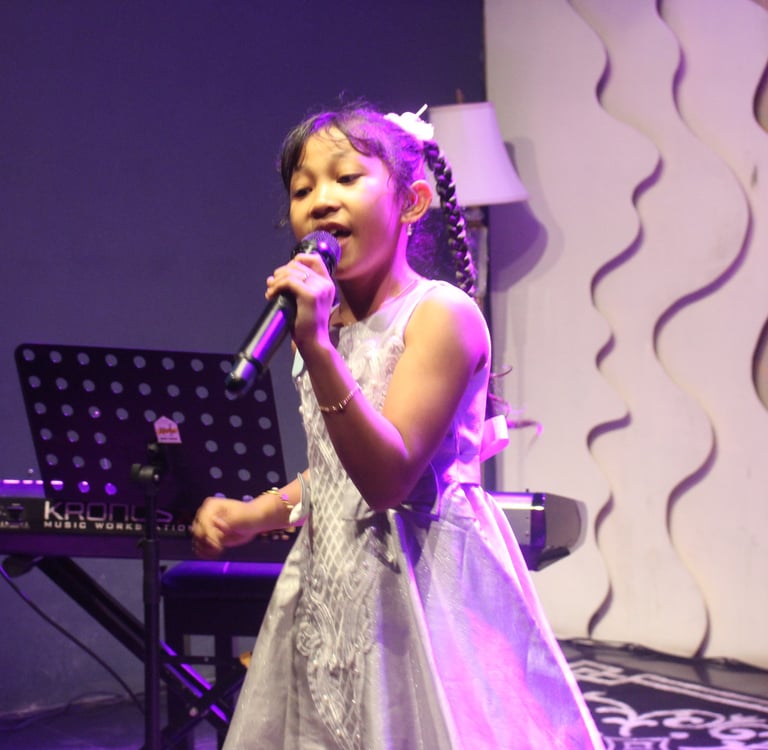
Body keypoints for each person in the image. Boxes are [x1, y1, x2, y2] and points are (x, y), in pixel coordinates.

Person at [191, 101, 604, 749]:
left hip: (421, 597)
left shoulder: (441, 316)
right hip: (331, 590)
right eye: (303, 189)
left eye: (346, 178)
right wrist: (255, 513)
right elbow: (334, 473)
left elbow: (387, 481)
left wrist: (317, 351)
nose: (322, 200)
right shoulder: (323, 328)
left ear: (411, 203)